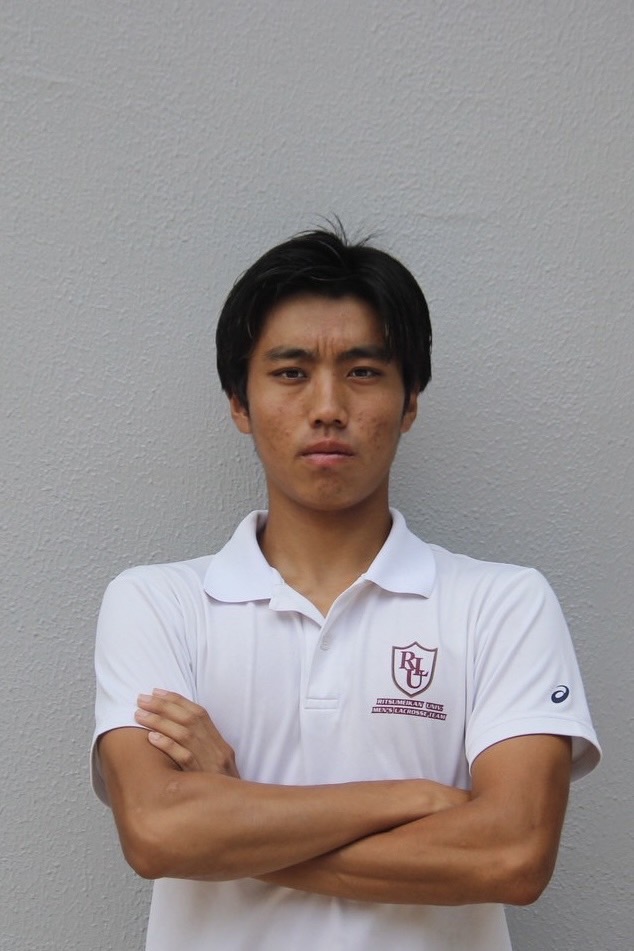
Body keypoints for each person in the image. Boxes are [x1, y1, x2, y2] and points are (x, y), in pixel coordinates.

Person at [91, 226, 600, 951]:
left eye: (362, 371)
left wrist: (235, 814)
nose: (327, 405)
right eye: (290, 372)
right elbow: (157, 831)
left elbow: (512, 854)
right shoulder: (156, 603)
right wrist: (417, 799)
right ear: (239, 402)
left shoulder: (502, 604)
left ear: (410, 399)